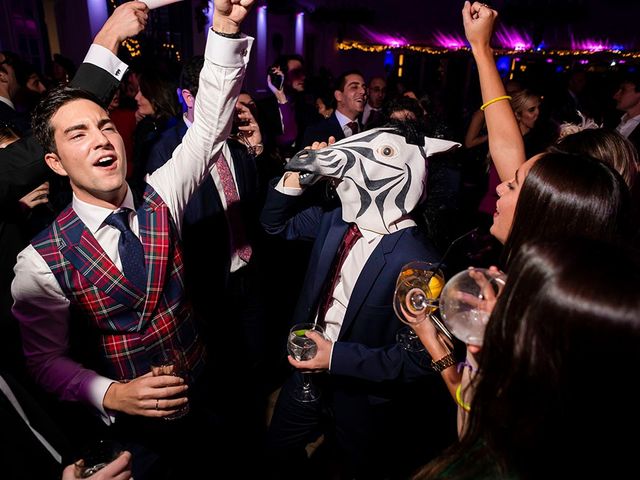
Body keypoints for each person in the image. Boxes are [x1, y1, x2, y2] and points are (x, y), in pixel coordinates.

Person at [11, 0, 254, 477]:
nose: (101, 139)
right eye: (77, 134)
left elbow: (206, 130)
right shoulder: (38, 261)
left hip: (207, 396)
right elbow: (44, 361)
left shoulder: (160, 194)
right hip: (133, 434)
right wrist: (110, 392)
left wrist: (222, 30)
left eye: (104, 126)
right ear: (57, 164)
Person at [262, 126, 460, 479]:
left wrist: (334, 358)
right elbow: (275, 226)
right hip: (303, 374)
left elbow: (418, 359)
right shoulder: (336, 218)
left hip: (361, 399)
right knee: (276, 454)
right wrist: (298, 177)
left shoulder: (418, 263)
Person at [412, 237, 640, 479]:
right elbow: (471, 426)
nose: (498, 304)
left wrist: (440, 346)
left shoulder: (499, 465)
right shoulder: (534, 417)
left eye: (515, 297)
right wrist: (480, 346)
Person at [301, 70, 367, 146]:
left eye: (364, 87)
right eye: (354, 87)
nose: (363, 91)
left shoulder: (369, 131)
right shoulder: (315, 132)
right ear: (338, 95)